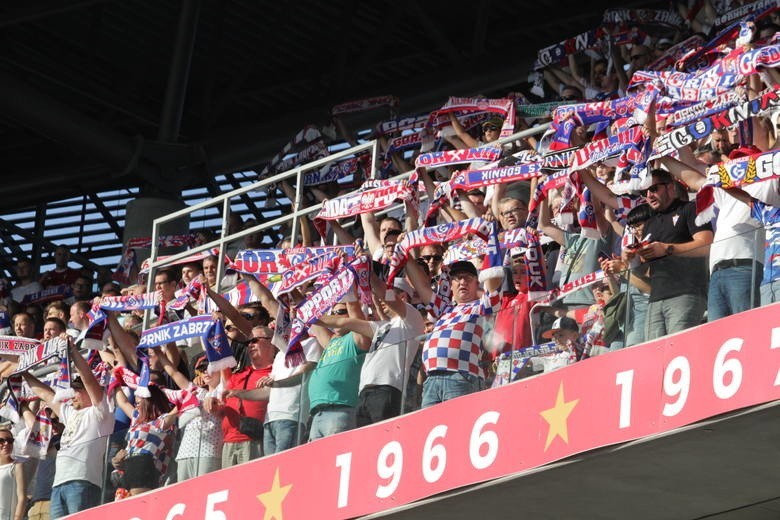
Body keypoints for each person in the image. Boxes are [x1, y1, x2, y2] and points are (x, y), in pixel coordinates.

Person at [21, 334, 114, 518]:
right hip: (58, 485)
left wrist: (72, 351)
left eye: (77, 391)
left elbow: (88, 379)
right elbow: (46, 395)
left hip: (83, 482)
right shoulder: (70, 413)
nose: (72, 395)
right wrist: (23, 373)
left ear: (88, 392)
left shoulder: (101, 412)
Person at [405, 258, 504, 408]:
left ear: (477, 283)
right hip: (432, 380)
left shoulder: (482, 306)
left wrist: (492, 241)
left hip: (461, 377)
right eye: (458, 278)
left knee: (460, 428)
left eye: (468, 278)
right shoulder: (444, 310)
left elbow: (493, 281)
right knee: (432, 430)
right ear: (451, 285)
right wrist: (405, 253)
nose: (463, 282)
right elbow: (421, 285)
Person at [637, 169, 713, 340]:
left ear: (670, 188)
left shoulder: (690, 208)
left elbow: (707, 244)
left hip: (687, 293)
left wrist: (667, 249)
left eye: (654, 189)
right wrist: (631, 258)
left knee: (678, 351)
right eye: (644, 192)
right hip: (655, 298)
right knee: (655, 358)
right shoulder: (649, 223)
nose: (649, 195)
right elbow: (646, 267)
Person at [113, 374, 179, 495]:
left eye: (138, 403)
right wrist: (115, 380)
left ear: (150, 402)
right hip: (126, 469)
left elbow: (180, 406)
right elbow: (123, 402)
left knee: (137, 506)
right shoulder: (137, 419)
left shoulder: (162, 421)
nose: (135, 407)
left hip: (146, 469)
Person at [219, 326, 275, 467]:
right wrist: (214, 405)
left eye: (255, 340)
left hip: (254, 438)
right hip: (228, 441)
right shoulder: (239, 374)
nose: (250, 345)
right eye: (248, 342)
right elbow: (224, 404)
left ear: (271, 342)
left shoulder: (277, 371)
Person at [0, 428, 25, 520]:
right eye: (1, 440)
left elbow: (22, 498)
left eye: (10, 441)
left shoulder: (17, 465)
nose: (6, 443)